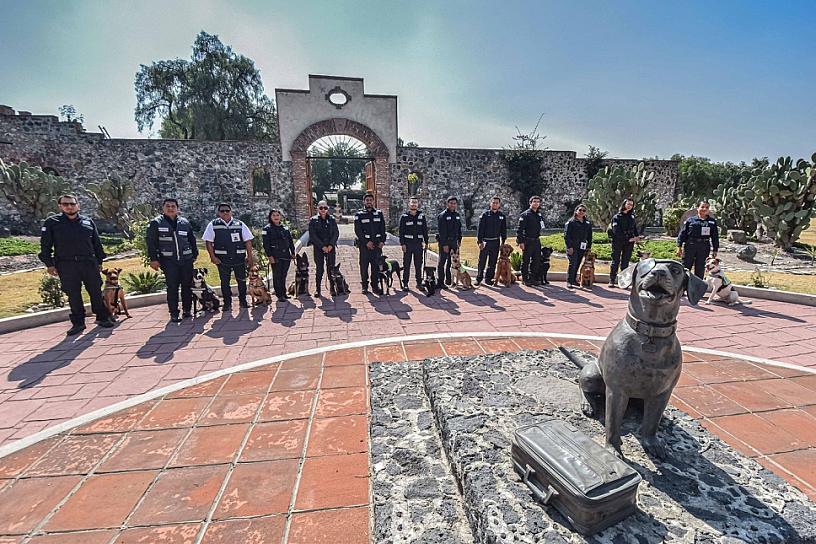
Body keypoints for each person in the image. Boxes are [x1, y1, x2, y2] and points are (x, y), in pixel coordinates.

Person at [38, 194, 115, 335]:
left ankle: (102, 317)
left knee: (95, 291)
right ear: (60, 206)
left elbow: (96, 244)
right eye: (66, 204)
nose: (69, 206)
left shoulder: (87, 222)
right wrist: (49, 264)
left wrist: (99, 261)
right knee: (73, 294)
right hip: (66, 265)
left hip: (88, 263)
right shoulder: (52, 223)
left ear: (78, 205)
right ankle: (78, 323)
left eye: (72, 204)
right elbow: (45, 246)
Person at [146, 198, 198, 322]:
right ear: (163, 208)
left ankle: (187, 310)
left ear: (177, 208)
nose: (170, 208)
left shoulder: (184, 222)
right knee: (172, 287)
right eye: (168, 206)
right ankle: (174, 313)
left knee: (187, 285)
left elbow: (192, 239)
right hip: (169, 261)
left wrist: (194, 254)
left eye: (173, 206)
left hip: (186, 260)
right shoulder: (156, 223)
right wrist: (153, 259)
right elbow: (151, 242)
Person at [202, 203, 254, 311]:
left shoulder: (239, 224)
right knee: (225, 282)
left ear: (231, 211)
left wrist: (250, 257)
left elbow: (248, 240)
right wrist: (212, 257)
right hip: (222, 259)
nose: (225, 213)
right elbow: (208, 242)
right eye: (222, 211)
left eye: (227, 210)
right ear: (218, 213)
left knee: (241, 281)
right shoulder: (213, 225)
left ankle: (243, 301)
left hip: (238, 258)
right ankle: (227, 303)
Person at [354, 192, 386, 294]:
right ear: (364, 202)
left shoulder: (379, 213)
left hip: (377, 245)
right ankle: (364, 285)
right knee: (364, 266)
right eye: (367, 200)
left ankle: (375, 285)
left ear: (373, 202)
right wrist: (366, 242)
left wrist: (382, 241)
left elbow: (382, 228)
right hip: (364, 246)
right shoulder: (359, 214)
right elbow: (358, 230)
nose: (369, 202)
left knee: (376, 266)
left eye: (370, 200)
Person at [677, 200, 719, 278]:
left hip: (704, 246)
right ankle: (683, 287)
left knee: (700, 268)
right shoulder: (691, 220)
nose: (704, 209)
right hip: (690, 245)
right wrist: (679, 247)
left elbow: (715, 236)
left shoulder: (712, 222)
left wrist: (715, 249)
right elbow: (683, 233)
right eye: (702, 207)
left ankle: (697, 288)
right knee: (686, 267)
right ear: (697, 208)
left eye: (707, 207)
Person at [308, 199, 340, 297]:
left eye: (325, 208)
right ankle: (318, 289)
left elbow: (336, 233)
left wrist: (331, 245)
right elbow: (313, 235)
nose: (323, 210)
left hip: (330, 247)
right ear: (318, 208)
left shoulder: (331, 219)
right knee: (320, 269)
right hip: (319, 248)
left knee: (331, 268)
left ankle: (332, 288)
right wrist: (322, 246)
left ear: (328, 209)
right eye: (321, 208)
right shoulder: (313, 220)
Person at [262, 209, 296, 302]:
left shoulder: (284, 228)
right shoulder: (267, 229)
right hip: (275, 256)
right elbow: (266, 244)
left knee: (283, 275)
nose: (276, 217)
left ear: (280, 216)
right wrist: (270, 256)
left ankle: (284, 293)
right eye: (274, 215)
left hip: (286, 255)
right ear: (270, 217)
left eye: (277, 215)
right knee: (277, 275)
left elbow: (290, 241)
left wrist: (293, 252)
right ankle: (279, 294)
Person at [608, 198, 643, 287]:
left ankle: (623, 282)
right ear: (624, 204)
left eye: (631, 205)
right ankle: (612, 280)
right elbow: (616, 231)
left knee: (625, 262)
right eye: (628, 204)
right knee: (615, 261)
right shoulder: (617, 217)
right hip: (618, 242)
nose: (629, 206)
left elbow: (634, 229)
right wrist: (628, 239)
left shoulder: (632, 217)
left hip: (629, 243)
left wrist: (637, 238)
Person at [399, 196, 429, 291]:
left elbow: (425, 230)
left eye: (415, 202)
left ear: (418, 204)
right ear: (409, 204)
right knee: (406, 264)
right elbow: (401, 232)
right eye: (412, 202)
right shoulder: (404, 217)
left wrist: (427, 242)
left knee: (418, 264)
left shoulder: (421, 216)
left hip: (418, 244)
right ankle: (405, 283)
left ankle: (419, 283)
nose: (414, 204)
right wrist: (402, 244)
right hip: (408, 244)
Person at [476, 196, 507, 286]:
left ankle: (488, 279)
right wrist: (480, 242)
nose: (495, 204)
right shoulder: (485, 215)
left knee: (492, 262)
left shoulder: (501, 216)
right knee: (482, 261)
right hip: (486, 241)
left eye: (497, 203)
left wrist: (503, 242)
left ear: (499, 205)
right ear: (490, 204)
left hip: (496, 242)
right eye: (493, 203)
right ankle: (479, 278)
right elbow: (480, 230)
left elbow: (503, 230)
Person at [517, 195, 545, 286]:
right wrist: (520, 242)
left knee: (536, 260)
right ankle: (525, 278)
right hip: (527, 241)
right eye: (534, 202)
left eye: (538, 202)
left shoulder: (539, 214)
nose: (536, 203)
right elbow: (520, 230)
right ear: (530, 203)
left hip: (536, 241)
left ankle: (532, 278)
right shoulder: (525, 215)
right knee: (526, 260)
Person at [436, 196, 462, 288]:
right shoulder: (443, 215)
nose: (453, 205)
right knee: (442, 262)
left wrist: (459, 240)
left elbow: (459, 229)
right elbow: (441, 232)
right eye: (451, 203)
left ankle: (449, 280)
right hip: (445, 242)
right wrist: (444, 244)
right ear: (447, 204)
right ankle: (440, 281)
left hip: (454, 242)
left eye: (454, 203)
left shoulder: (457, 215)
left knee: (451, 262)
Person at [564, 204, 593, 288]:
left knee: (578, 263)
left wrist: (589, 247)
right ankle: (569, 281)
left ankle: (573, 280)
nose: (581, 212)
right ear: (576, 211)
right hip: (572, 246)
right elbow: (567, 236)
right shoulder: (570, 222)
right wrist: (569, 247)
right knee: (572, 263)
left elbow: (589, 236)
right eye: (580, 210)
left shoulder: (587, 223)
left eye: (584, 211)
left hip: (582, 247)